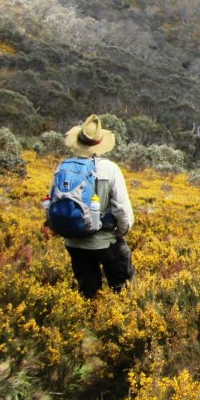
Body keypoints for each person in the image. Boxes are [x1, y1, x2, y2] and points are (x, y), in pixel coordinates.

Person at [58, 114, 135, 298]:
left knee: (88, 292)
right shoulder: (109, 169)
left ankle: (88, 321)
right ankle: (117, 322)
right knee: (123, 289)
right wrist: (119, 233)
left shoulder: (63, 167)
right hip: (105, 241)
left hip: (74, 241)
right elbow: (122, 210)